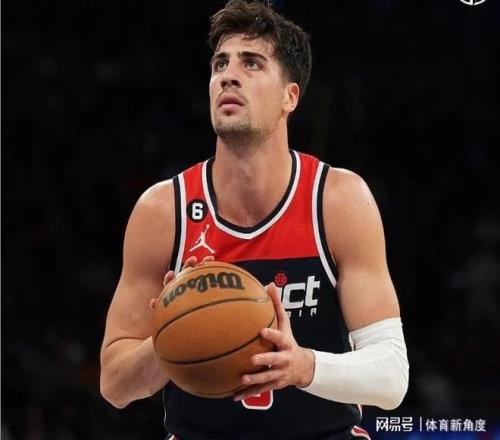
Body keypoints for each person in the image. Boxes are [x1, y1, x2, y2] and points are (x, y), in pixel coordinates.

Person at [100, 1, 409, 438]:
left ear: (290, 97)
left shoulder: (337, 200)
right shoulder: (163, 210)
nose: (228, 75)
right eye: (220, 64)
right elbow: (114, 385)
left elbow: (392, 376)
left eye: (252, 63)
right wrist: (174, 333)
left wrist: (303, 366)